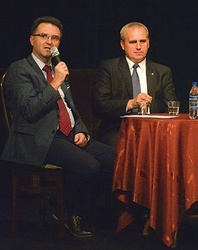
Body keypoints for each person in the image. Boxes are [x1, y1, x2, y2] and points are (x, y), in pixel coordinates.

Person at [1, 16, 116, 238]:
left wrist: (81, 129)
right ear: (31, 40)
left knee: (114, 158)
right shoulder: (20, 70)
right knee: (88, 166)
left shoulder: (57, 68)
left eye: (55, 38)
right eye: (43, 36)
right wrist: (55, 82)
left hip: (68, 134)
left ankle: (77, 209)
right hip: (39, 138)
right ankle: (67, 212)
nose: (49, 42)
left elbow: (71, 107)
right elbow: (29, 110)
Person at [93, 22, 177, 148]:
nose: (138, 47)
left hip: (154, 129)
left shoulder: (162, 72)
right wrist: (131, 103)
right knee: (125, 146)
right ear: (122, 45)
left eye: (142, 41)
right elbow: (99, 106)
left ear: (148, 43)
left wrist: (149, 105)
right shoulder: (109, 68)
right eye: (133, 42)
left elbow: (171, 106)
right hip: (118, 129)